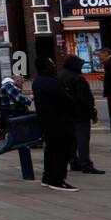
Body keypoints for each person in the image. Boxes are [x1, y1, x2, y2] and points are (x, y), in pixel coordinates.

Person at [33, 57, 80, 191]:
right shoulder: (51, 82)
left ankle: (47, 177)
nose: (54, 66)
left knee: (51, 151)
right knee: (61, 151)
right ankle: (57, 180)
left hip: (48, 122)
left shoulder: (38, 81)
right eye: (52, 65)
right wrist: (75, 111)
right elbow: (65, 100)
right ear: (45, 67)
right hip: (59, 122)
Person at [59, 54, 103, 174]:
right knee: (82, 139)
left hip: (66, 113)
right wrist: (93, 113)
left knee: (72, 139)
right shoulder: (78, 78)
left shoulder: (60, 76)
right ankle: (85, 163)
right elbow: (85, 99)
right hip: (80, 113)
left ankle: (74, 161)